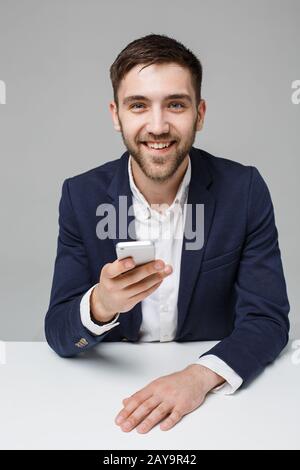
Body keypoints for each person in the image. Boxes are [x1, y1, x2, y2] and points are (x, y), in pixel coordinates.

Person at [45, 34, 290, 434]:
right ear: (116, 115)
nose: (157, 126)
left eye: (176, 104)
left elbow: (268, 319)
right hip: (100, 405)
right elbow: (58, 333)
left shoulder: (244, 190)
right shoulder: (80, 196)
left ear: (200, 113)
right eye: (138, 105)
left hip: (224, 411)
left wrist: (198, 377)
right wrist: (101, 304)